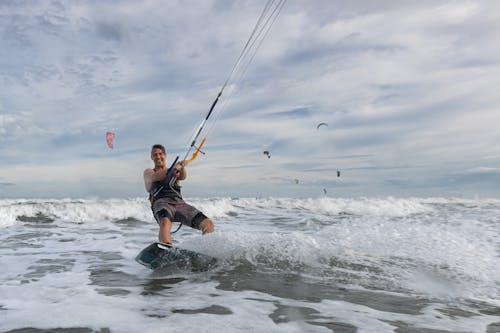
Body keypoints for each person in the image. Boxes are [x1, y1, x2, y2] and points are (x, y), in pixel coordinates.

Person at [143, 144, 214, 245]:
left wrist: (182, 167)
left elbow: (183, 176)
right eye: (155, 155)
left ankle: (208, 250)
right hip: (161, 203)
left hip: (179, 204)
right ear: (151, 157)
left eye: (160, 154)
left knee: (208, 223)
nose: (158, 157)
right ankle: (165, 248)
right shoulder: (149, 172)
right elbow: (155, 177)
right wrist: (175, 168)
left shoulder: (174, 171)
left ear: (165, 155)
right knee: (165, 222)